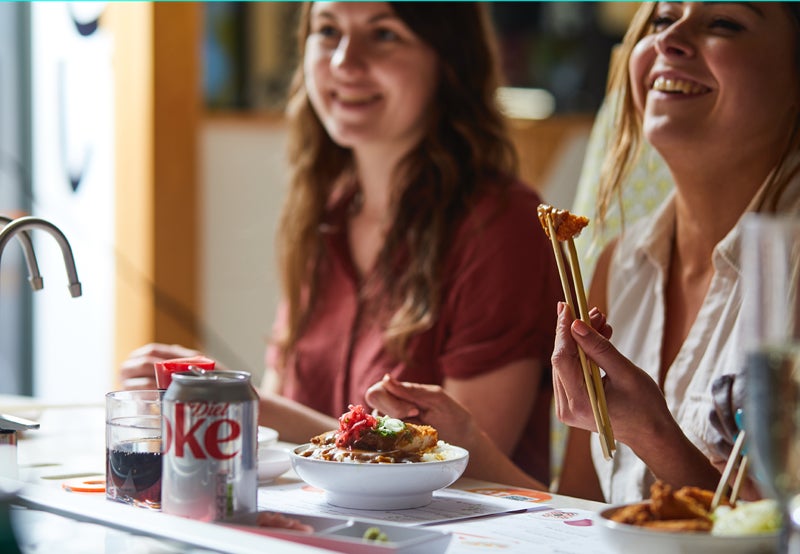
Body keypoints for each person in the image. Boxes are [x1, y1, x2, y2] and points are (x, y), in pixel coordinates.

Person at [367, 1, 800, 502]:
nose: (669, 40)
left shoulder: (787, 271)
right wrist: (467, 445)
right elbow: (585, 515)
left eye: (724, 22)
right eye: (661, 20)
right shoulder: (622, 264)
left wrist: (652, 435)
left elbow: (778, 536)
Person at [122, 2, 561, 487]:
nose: (344, 63)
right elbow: (280, 421)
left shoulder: (501, 224)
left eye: (385, 34)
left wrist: (242, 400)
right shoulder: (325, 213)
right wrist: (225, 398)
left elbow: (454, 468)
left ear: (449, 58)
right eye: (328, 31)